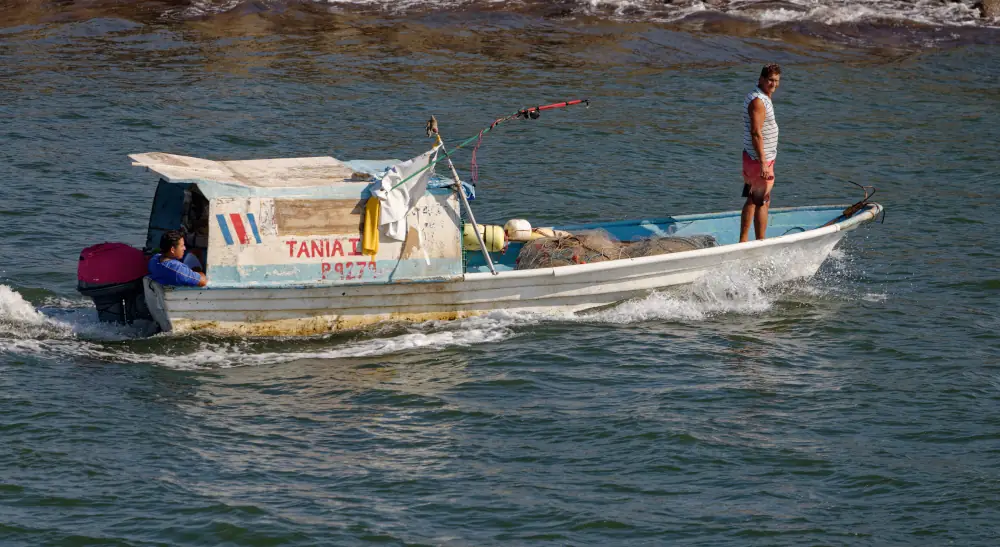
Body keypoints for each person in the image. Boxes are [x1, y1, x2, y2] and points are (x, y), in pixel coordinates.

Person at [740, 63, 781, 242]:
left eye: (776, 81)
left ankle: (747, 240)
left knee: (754, 197)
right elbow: (756, 132)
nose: (773, 84)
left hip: (753, 157)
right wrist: (763, 162)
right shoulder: (758, 101)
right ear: (761, 79)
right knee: (759, 200)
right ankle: (756, 241)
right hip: (759, 160)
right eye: (770, 80)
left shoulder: (760, 96)